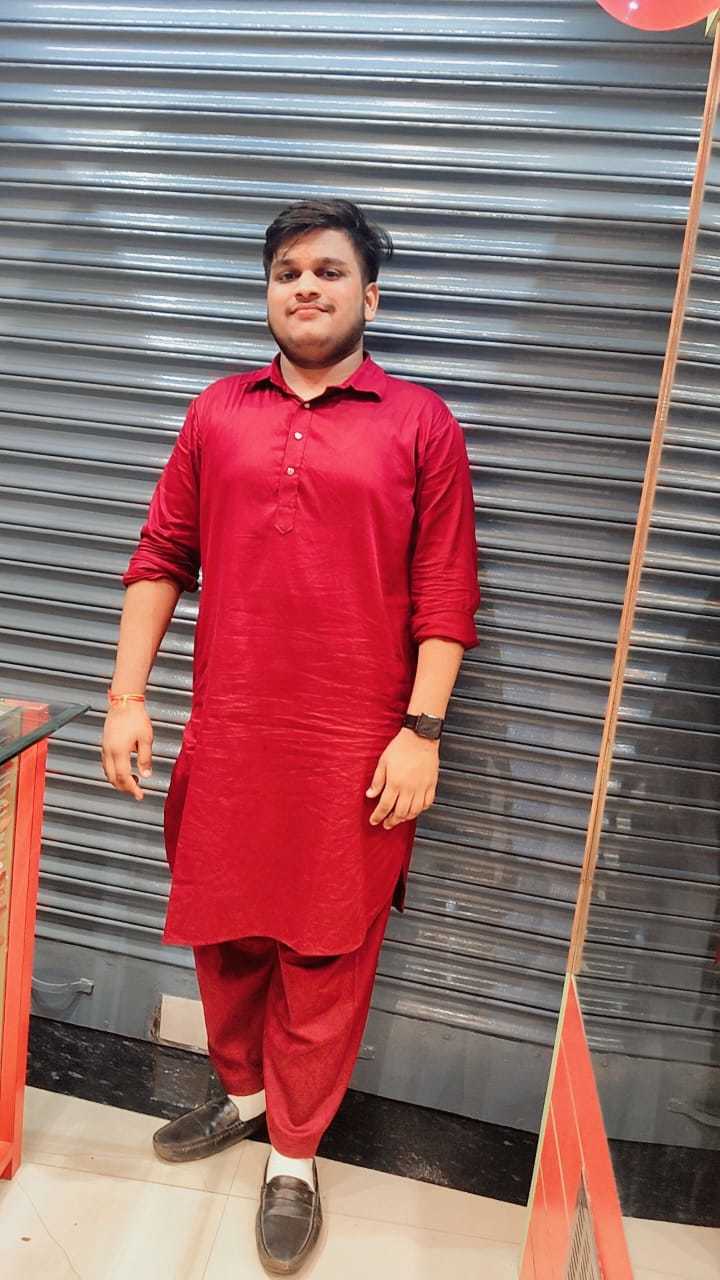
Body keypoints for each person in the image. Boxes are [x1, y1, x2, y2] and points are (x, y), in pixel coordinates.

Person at [101, 197, 480, 1274]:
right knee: (223, 936)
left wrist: (421, 731)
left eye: (328, 271)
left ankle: (296, 1157)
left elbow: (447, 593)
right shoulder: (218, 411)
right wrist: (127, 698)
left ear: (371, 296)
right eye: (286, 272)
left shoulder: (420, 424)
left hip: (353, 752)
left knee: (324, 957)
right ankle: (243, 1094)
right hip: (229, 736)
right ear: (268, 293)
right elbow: (161, 555)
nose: (305, 287)